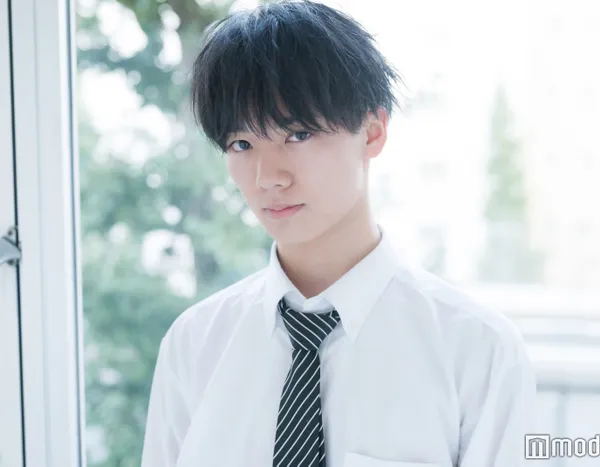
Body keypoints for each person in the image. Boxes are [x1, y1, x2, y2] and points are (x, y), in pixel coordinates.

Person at [141, 1, 537, 466]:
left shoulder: (476, 350)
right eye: (242, 144)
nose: (268, 177)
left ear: (372, 132)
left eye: (298, 135)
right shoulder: (194, 345)